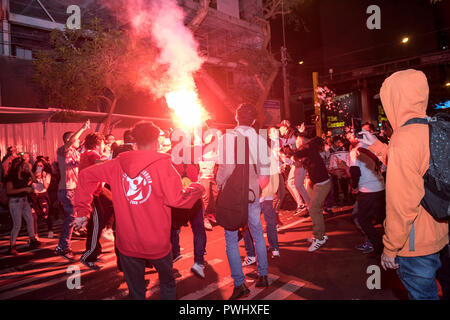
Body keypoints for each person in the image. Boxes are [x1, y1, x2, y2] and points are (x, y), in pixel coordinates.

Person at [73, 121, 204, 300]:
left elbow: (86, 175)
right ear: (157, 142)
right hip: (157, 242)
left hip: (128, 242)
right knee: (167, 283)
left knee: (136, 292)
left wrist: (82, 210)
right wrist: (197, 188)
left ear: (134, 143)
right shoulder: (163, 165)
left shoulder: (116, 164)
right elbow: (177, 199)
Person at [360, 69, 448, 300]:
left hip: (414, 241)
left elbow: (402, 203)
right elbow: (419, 167)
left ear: (395, 98)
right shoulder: (431, 126)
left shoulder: (403, 139)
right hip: (439, 231)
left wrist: (390, 248)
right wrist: (378, 147)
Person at [216, 103, 270, 300]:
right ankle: (263, 274)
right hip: (253, 194)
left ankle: (239, 284)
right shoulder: (260, 139)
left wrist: (219, 185)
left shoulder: (227, 138)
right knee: (257, 233)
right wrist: (256, 186)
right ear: (254, 120)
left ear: (236, 118)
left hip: (233, 194)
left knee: (231, 238)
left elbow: (226, 168)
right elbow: (266, 173)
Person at [54, 120, 90, 261]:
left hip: (74, 189)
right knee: (71, 218)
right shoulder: (62, 150)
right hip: (66, 189)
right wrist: (82, 128)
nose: (78, 141)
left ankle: (63, 245)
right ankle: (63, 247)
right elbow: (71, 142)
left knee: (74, 217)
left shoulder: (76, 152)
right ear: (69, 140)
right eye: (76, 139)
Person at [78, 132, 113, 270]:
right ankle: (89, 255)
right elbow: (100, 163)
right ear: (99, 143)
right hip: (90, 193)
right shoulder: (92, 153)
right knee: (96, 224)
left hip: (95, 191)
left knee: (112, 203)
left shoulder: (88, 153)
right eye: (103, 143)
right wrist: (107, 155)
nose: (104, 145)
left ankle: (97, 247)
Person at [293, 129, 331, 252]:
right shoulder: (309, 152)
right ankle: (320, 234)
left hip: (322, 184)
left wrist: (297, 152)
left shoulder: (309, 149)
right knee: (313, 208)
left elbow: (315, 141)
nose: (297, 142)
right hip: (315, 183)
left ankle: (319, 238)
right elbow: (299, 160)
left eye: (299, 140)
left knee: (314, 209)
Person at [348, 132, 385, 255]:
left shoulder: (356, 151)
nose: (348, 138)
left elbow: (355, 171)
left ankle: (377, 244)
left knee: (362, 219)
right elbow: (384, 166)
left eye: (351, 135)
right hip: (380, 187)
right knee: (382, 218)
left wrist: (354, 186)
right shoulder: (373, 148)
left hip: (367, 189)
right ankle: (388, 244)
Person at [6, 157, 41, 255]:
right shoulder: (11, 177)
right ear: (18, 166)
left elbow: (35, 181)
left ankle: (32, 239)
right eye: (23, 165)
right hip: (15, 202)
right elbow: (9, 191)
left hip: (24, 201)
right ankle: (11, 246)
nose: (25, 166)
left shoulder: (24, 175)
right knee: (17, 225)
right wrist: (24, 189)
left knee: (30, 220)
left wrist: (29, 170)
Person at [30, 158, 53, 239]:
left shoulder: (47, 174)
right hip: (34, 196)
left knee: (46, 215)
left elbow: (46, 187)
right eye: (38, 165)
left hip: (43, 195)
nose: (39, 167)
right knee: (34, 216)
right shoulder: (32, 174)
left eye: (41, 166)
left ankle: (50, 230)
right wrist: (34, 177)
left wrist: (43, 177)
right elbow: (28, 184)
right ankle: (35, 234)